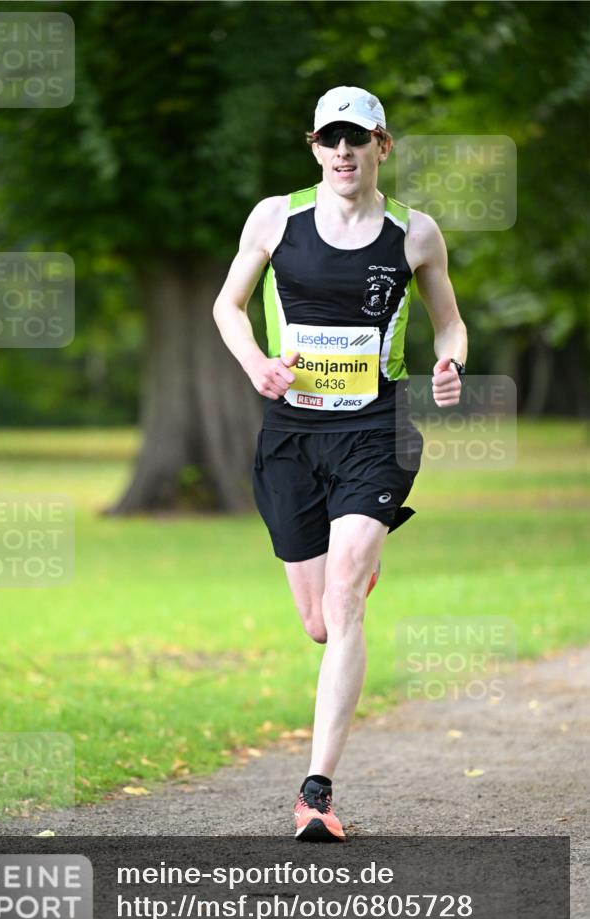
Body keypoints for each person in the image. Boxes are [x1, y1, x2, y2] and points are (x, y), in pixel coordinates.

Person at [213, 85, 467, 841]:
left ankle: (315, 792)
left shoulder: (414, 233)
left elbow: (449, 324)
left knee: (346, 594)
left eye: (357, 138)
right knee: (318, 623)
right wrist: (256, 363)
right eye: (330, 139)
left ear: (382, 145)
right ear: (315, 147)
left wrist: (449, 365)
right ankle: (348, 570)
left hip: (376, 429)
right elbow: (228, 306)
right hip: (291, 434)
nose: (344, 152)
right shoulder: (274, 218)